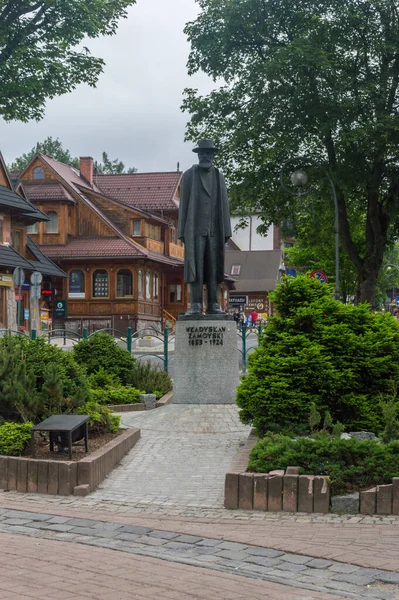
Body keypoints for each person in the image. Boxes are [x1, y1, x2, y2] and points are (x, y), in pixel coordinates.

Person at [178, 140, 232, 316]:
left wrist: (226, 232)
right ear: (198, 155)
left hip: (214, 231)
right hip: (194, 231)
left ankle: (213, 304)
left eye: (209, 153)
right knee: (196, 268)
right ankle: (195, 304)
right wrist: (181, 232)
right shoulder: (188, 176)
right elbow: (184, 206)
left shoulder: (219, 176)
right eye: (203, 153)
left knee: (213, 268)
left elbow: (224, 205)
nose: (206, 156)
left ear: (213, 156)